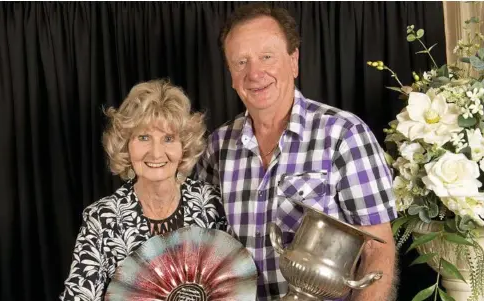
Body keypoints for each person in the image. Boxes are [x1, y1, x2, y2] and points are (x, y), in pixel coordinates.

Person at [196, 3, 398, 301]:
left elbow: (377, 249)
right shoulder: (217, 147)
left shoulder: (344, 134)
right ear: (230, 75)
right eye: (241, 62)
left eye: (267, 56)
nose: (254, 73)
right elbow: (206, 245)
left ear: (293, 61)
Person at [60, 79, 228, 301]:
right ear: (125, 145)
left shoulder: (211, 204)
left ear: (184, 146)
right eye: (144, 137)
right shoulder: (101, 219)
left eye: (168, 138)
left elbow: (233, 283)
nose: (156, 153)